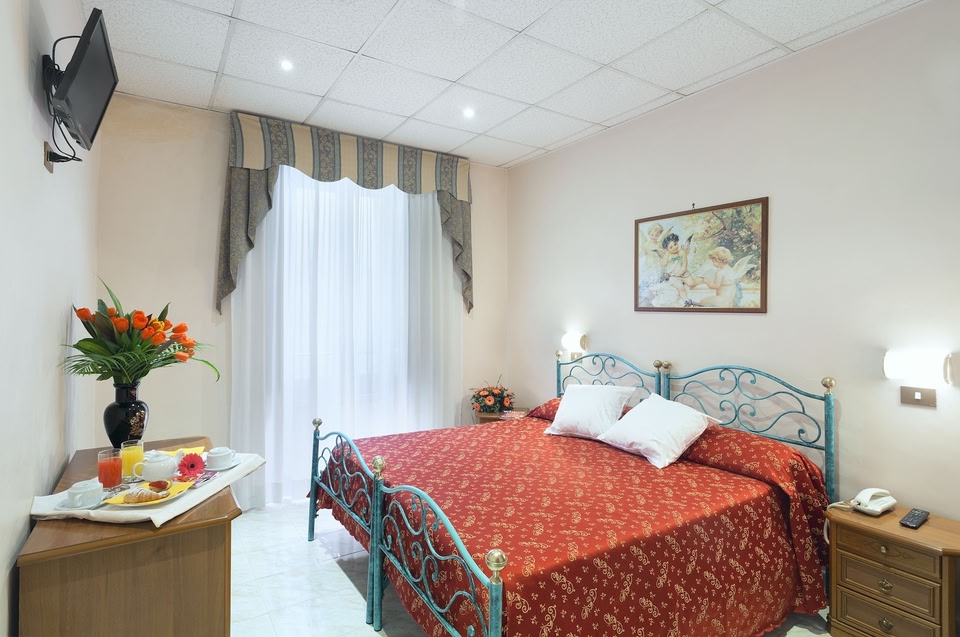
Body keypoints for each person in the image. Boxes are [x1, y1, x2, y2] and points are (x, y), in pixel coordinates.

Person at [659, 232, 694, 303]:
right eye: (671, 247)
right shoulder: (668, 254)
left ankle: (684, 280)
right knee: (680, 287)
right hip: (673, 275)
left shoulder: (682, 252)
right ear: (667, 249)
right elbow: (663, 265)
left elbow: (684, 266)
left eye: (675, 244)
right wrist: (666, 255)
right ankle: (687, 301)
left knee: (691, 283)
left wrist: (680, 274)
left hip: (683, 272)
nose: (674, 247)